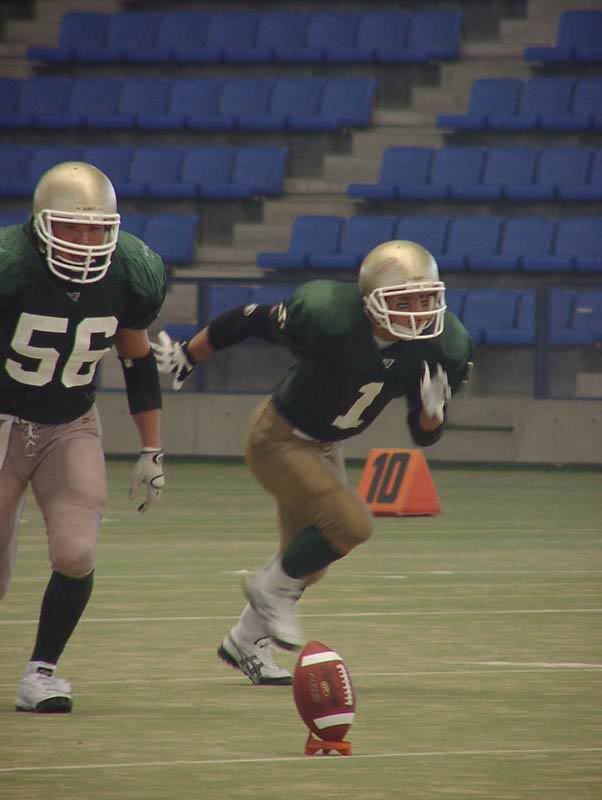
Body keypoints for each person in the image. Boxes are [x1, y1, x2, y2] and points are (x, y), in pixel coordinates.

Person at [152, 240, 473, 686]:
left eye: (424, 299)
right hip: (279, 437)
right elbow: (251, 319)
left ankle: (245, 641)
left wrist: (432, 414)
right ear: (371, 303)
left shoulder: (442, 346)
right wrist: (191, 353)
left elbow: (424, 435)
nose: (418, 313)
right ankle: (267, 590)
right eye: (403, 302)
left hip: (326, 446)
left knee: (310, 562)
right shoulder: (329, 317)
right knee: (351, 525)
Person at [0, 161, 167, 713]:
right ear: (40, 223)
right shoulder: (10, 265)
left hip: (69, 423)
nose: (85, 243)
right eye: (71, 227)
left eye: (97, 230)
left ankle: (42, 672)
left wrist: (151, 448)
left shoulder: (130, 272)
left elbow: (137, 358)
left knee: (76, 552)